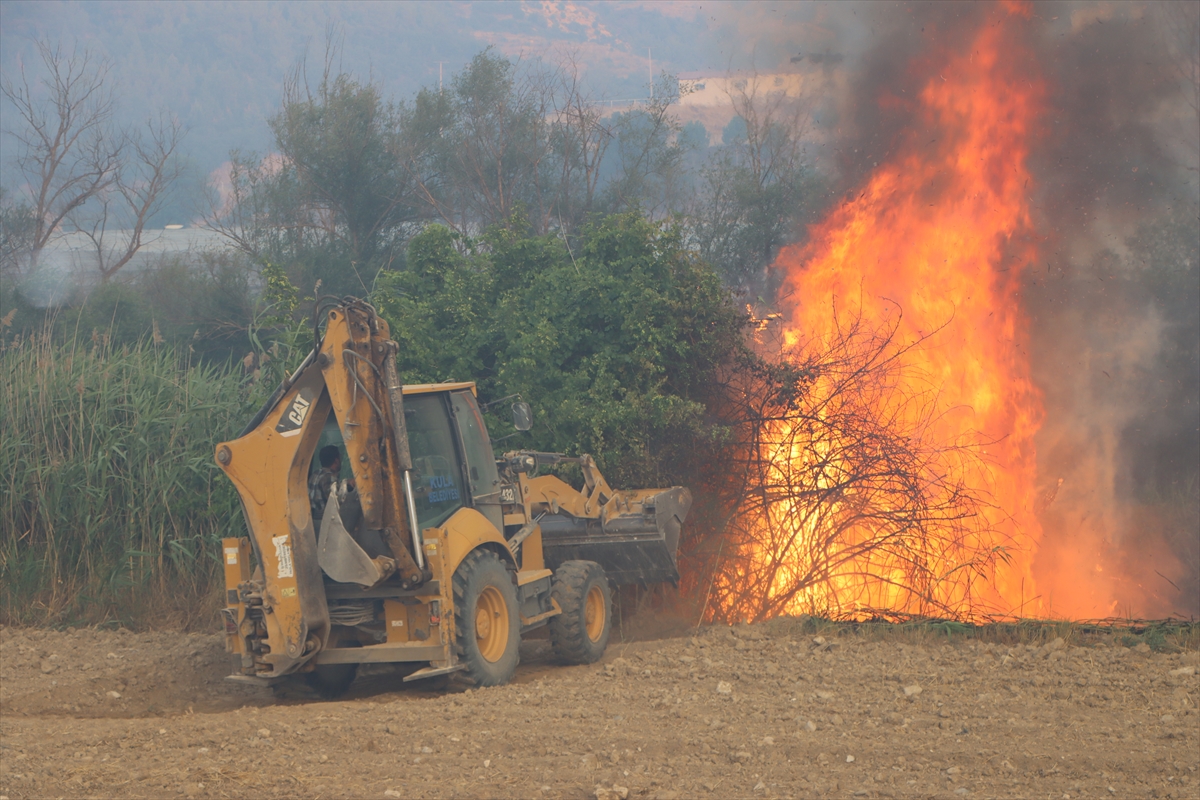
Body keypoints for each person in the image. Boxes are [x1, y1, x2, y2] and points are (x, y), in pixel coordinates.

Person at [309, 445, 344, 523]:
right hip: (325, 521)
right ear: (336, 460)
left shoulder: (315, 474)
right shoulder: (329, 476)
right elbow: (336, 501)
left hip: (314, 520)